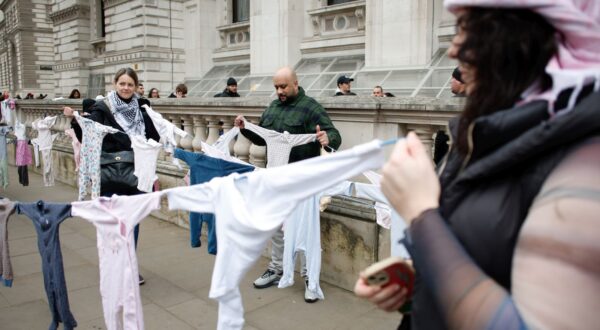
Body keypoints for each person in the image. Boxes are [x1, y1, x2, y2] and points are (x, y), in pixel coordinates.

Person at [355, 2, 600, 329]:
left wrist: (420, 214)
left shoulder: (586, 161)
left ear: (523, 41)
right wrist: (419, 287)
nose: (455, 49)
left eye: (470, 29)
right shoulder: (488, 125)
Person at [234, 66, 342, 303]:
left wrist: (327, 138)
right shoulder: (272, 107)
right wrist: (246, 129)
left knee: (305, 229)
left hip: (303, 181)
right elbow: (262, 136)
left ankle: (308, 277)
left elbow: (334, 134)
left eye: (283, 86)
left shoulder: (311, 107)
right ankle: (276, 268)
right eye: (276, 87)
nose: (279, 91)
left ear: (295, 83)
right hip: (276, 179)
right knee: (276, 228)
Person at [64, 67, 160, 286]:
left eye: (130, 85)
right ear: (115, 84)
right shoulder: (102, 109)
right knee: (111, 222)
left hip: (135, 173)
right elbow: (86, 134)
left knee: (132, 222)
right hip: (109, 174)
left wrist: (146, 145)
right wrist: (74, 120)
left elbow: (154, 137)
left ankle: (129, 267)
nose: (126, 88)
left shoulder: (143, 110)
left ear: (135, 87)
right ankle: (112, 264)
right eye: (122, 84)